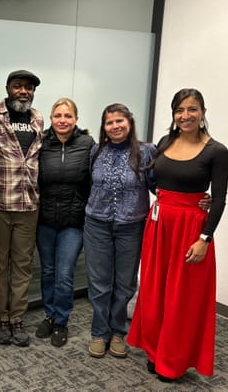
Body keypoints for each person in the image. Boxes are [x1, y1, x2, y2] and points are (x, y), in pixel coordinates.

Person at [127, 89, 228, 382]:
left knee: (181, 298)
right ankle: (154, 350)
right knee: (155, 289)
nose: (185, 116)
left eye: (192, 109)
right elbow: (157, 182)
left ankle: (173, 360)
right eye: (179, 110)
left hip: (191, 231)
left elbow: (220, 199)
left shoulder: (216, 151)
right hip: (159, 225)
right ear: (173, 115)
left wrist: (205, 238)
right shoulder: (165, 142)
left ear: (203, 112)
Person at [83, 103, 156, 359]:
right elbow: (87, 184)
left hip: (131, 225)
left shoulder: (146, 152)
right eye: (109, 122)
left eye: (119, 121)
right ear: (104, 127)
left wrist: (195, 200)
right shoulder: (96, 151)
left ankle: (118, 332)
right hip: (97, 224)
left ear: (130, 122)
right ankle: (99, 333)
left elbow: (160, 186)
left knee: (124, 284)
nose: (115, 126)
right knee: (99, 283)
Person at [0, 70, 44, 347]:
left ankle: (17, 318)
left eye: (28, 88)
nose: (24, 91)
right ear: (8, 88)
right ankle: (0, 317)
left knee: (22, 265)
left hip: (29, 205)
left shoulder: (38, 119)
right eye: (18, 86)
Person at [35, 98, 94, 347]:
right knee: (48, 272)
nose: (62, 120)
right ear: (51, 118)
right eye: (57, 115)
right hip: (45, 220)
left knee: (65, 274)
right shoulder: (42, 144)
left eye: (67, 116)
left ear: (76, 119)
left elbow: (97, 179)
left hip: (73, 222)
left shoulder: (87, 145)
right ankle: (49, 315)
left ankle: (61, 321)